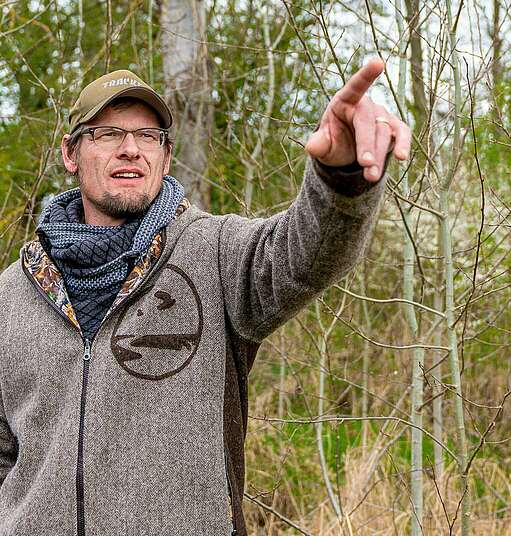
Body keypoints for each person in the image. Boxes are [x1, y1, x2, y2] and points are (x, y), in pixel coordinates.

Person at [0, 58, 411, 535]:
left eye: (148, 136)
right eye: (108, 133)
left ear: (166, 157)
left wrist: (340, 177)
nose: (131, 149)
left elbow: (309, 253)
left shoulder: (216, 255)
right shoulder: (12, 294)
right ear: (72, 155)